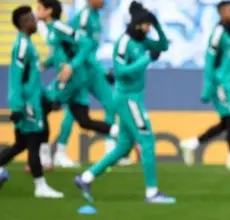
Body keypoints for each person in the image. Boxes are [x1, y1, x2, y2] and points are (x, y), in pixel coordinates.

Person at [74, 1, 175, 204]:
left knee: (123, 146)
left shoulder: (142, 40)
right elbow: (120, 72)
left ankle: (85, 178)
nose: (148, 28)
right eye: (146, 24)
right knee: (146, 140)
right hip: (127, 98)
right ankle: (152, 193)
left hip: (135, 97)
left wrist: (157, 26)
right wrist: (146, 60)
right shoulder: (124, 43)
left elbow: (163, 45)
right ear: (137, 24)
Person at [35, 0, 118, 171]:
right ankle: (57, 153)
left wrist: (80, 67)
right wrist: (49, 63)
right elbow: (72, 47)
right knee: (75, 115)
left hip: (84, 71)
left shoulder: (94, 17)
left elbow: (80, 46)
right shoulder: (84, 17)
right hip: (83, 69)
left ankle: (113, 150)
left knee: (104, 107)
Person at [180, 1, 230, 172]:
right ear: (221, 13)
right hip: (220, 85)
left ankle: (192, 144)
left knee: (227, 122)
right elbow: (209, 60)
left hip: (228, 84)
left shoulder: (229, 34)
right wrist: (207, 87)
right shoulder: (218, 33)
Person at [0, 5, 63, 198]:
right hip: (27, 104)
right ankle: (40, 186)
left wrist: (48, 98)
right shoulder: (22, 46)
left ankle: (40, 185)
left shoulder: (28, 44)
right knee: (34, 141)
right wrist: (18, 106)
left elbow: (33, 79)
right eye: (31, 19)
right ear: (24, 24)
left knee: (20, 144)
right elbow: (16, 78)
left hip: (33, 100)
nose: (35, 21)